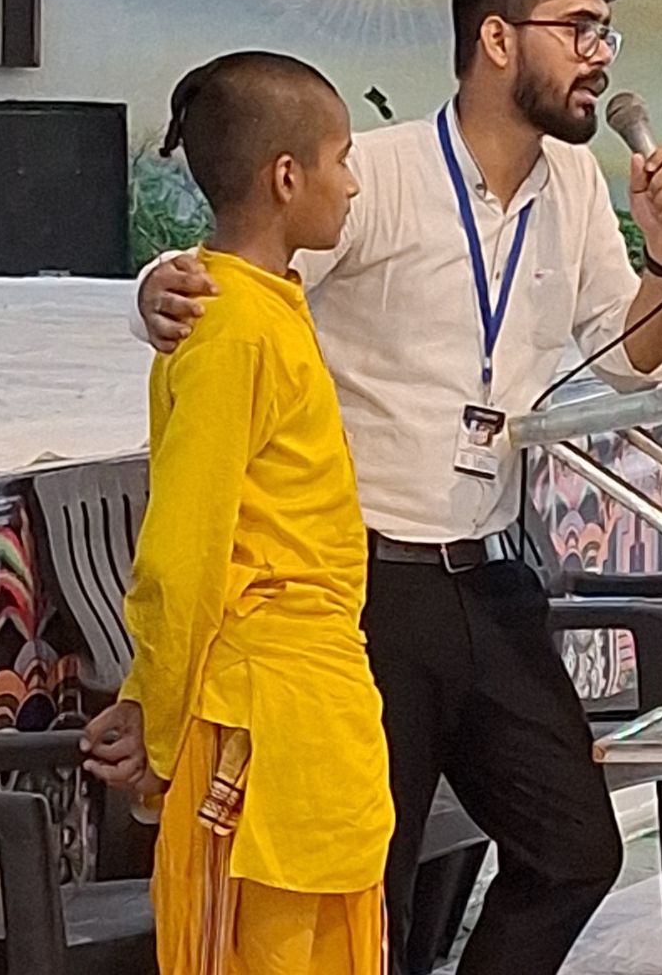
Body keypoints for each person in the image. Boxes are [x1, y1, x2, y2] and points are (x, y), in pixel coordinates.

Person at [97, 0, 662, 975]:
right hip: (372, 587)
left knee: (575, 849)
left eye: (607, 33)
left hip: (489, 570)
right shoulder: (366, 173)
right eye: (579, 29)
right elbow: (242, 263)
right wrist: (157, 285)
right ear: (498, 40)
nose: (601, 57)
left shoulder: (572, 188)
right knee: (364, 888)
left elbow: (636, 360)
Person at [84, 50, 393, 975]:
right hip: (254, 724)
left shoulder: (268, 309)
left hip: (309, 716)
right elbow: (182, 558)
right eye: (341, 159)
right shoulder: (228, 329)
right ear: (287, 177)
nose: (351, 183)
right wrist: (160, 720)